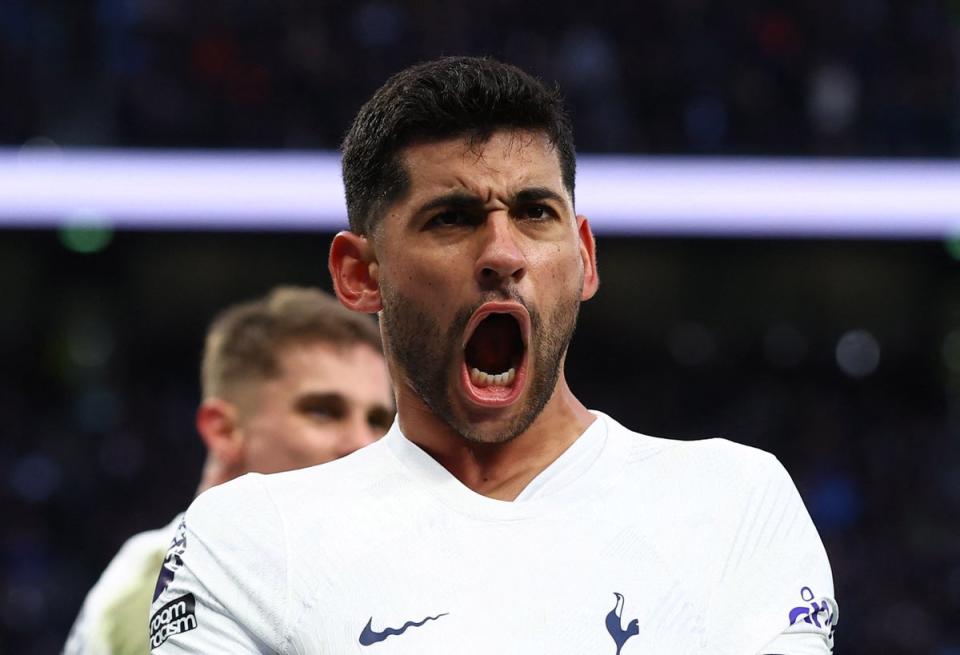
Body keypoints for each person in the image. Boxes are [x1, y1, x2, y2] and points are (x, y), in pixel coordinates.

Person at [150, 57, 838, 654]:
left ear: (584, 257)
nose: (504, 254)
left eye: (536, 212)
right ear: (361, 273)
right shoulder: (248, 539)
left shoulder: (735, 503)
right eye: (452, 217)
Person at [63, 286, 394, 655]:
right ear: (224, 431)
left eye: (378, 420)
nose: (364, 443)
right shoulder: (162, 589)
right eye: (323, 411)